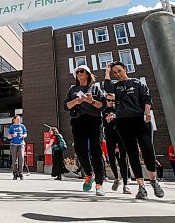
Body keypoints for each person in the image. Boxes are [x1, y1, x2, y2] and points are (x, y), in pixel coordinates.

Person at [104, 61, 165, 199]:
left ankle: (154, 181)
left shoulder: (136, 83)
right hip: (123, 123)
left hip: (140, 120)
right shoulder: (115, 87)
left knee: (147, 150)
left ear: (125, 69)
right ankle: (141, 187)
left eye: (119, 71)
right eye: (115, 73)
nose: (117, 74)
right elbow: (107, 88)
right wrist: (107, 71)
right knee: (132, 154)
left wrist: (147, 112)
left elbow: (146, 98)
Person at [63, 65, 106, 196]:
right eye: (77, 72)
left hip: (94, 121)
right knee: (80, 151)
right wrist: (75, 101)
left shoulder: (95, 88)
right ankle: (89, 174)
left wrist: (91, 101)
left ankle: (99, 184)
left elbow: (102, 105)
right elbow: (65, 106)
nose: (79, 74)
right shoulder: (73, 89)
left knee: (96, 152)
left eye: (82, 71)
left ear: (87, 74)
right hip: (78, 121)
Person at [103, 93, 131, 194]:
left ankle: (125, 184)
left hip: (120, 136)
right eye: (109, 100)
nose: (111, 102)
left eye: (113, 100)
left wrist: (117, 117)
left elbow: (126, 121)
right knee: (112, 159)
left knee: (123, 160)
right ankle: (116, 178)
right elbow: (101, 124)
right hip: (110, 136)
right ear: (106, 100)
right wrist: (106, 120)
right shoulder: (104, 111)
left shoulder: (119, 109)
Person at [8, 115, 27, 180]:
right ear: (14, 120)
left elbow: (25, 134)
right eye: (18, 119)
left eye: (19, 119)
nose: (19, 120)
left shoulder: (22, 126)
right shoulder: (12, 127)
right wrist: (12, 135)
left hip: (21, 144)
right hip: (13, 144)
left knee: (21, 157)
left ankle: (20, 172)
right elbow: (9, 136)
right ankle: (15, 173)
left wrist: (23, 136)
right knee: (14, 159)